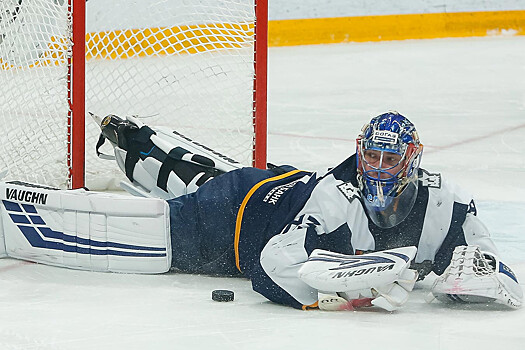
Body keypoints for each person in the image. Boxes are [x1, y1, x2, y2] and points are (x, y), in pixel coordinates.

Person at [0, 111, 521, 311]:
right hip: (236, 218)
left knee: (207, 172)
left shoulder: (442, 204)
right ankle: (133, 144)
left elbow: (496, 274)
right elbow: (271, 268)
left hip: (278, 188)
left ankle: (134, 137)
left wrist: (467, 277)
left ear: (412, 159)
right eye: (372, 156)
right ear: (360, 153)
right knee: (146, 232)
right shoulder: (336, 198)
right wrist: (344, 294)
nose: (379, 168)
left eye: (390, 158)